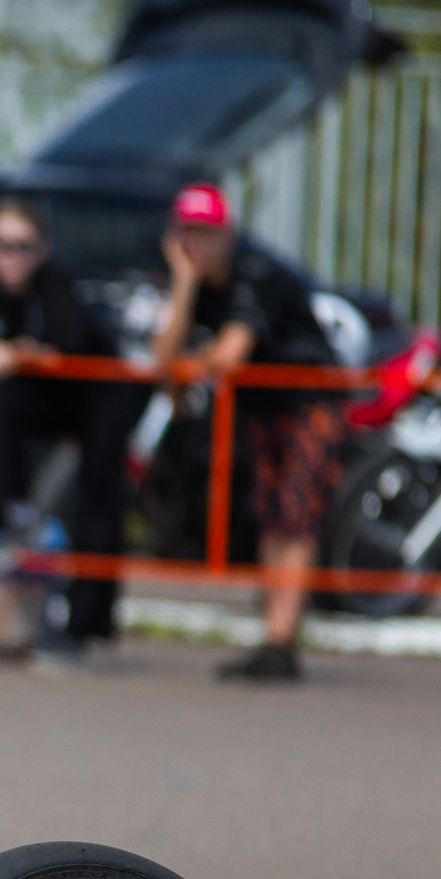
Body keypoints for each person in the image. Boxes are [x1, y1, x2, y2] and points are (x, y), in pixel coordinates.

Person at [151, 183, 349, 683]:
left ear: (228, 235)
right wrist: (182, 283)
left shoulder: (253, 274)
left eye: (206, 234)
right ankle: (271, 636)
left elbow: (226, 357)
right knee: (270, 514)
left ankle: (282, 639)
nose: (197, 245)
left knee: (296, 512)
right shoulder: (198, 284)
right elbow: (162, 358)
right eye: (187, 235)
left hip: (310, 400)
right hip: (265, 408)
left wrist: (188, 364)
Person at [0, 195, 139, 665]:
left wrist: (12, 352)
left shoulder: (55, 283)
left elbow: (67, 345)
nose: (8, 257)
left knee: (98, 505)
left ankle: (87, 630)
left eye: (20, 246)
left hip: (98, 395)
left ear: (40, 249)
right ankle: (17, 511)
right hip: (48, 398)